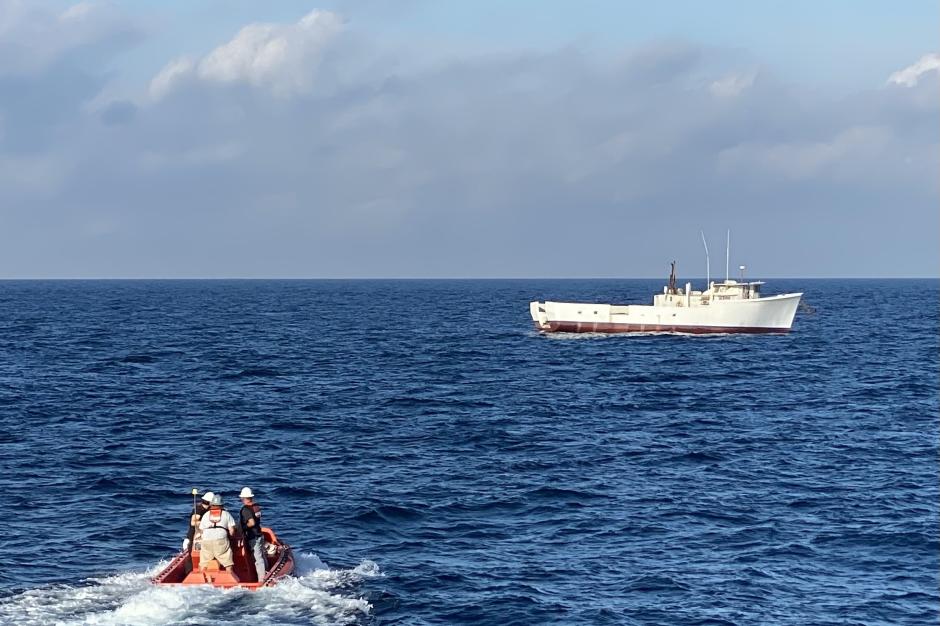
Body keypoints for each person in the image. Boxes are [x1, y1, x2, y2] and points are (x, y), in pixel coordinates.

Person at [198, 494, 239, 581]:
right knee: (228, 562)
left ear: (211, 504)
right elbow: (232, 531)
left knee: (203, 563)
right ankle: (229, 579)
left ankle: (201, 580)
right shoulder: (226, 514)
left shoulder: (206, 515)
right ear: (222, 505)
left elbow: (201, 530)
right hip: (221, 540)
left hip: (206, 540)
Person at [238, 487, 266, 582]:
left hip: (253, 535)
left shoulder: (245, 509)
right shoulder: (256, 506)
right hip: (259, 533)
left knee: (258, 558)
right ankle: (268, 572)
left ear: (244, 498)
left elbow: (252, 522)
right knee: (262, 555)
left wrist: (243, 527)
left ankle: (262, 580)